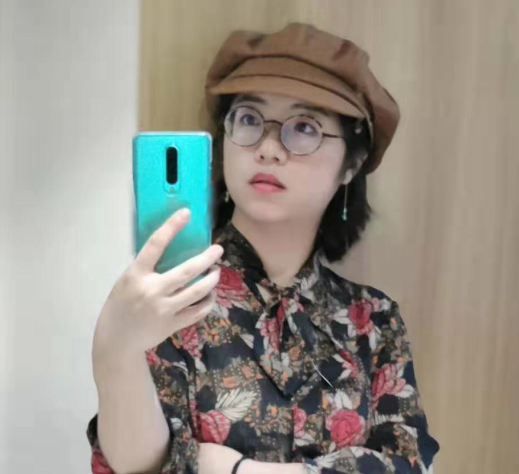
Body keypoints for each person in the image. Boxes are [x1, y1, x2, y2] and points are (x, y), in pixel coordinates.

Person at [86, 22, 440, 474]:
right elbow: (141, 468)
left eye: (305, 127)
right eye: (250, 119)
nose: (269, 148)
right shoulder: (170, 295)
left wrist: (236, 470)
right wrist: (113, 351)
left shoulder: (372, 321)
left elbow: (407, 464)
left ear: (352, 164)